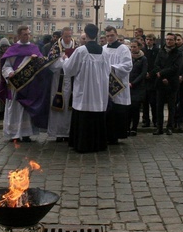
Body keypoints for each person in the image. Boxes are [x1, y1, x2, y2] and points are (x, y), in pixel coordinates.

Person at [0, 26, 53, 142]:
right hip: (16, 85)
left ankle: (26, 133)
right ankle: (14, 134)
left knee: (27, 109)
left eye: (29, 34)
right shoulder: (12, 49)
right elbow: (6, 66)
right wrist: (10, 73)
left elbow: (41, 65)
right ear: (19, 36)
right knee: (15, 109)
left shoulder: (34, 48)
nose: (28, 36)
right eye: (25, 34)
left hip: (30, 85)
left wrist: (36, 60)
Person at [63, 24, 110, 153]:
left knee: (83, 116)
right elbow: (108, 71)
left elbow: (69, 70)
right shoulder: (104, 52)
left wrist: (65, 60)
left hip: (84, 91)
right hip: (98, 92)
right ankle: (98, 144)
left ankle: (82, 144)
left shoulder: (81, 51)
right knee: (97, 116)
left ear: (86, 34)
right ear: (97, 34)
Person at [103, 26, 132, 144]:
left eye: (112, 35)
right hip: (106, 84)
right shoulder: (103, 48)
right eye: (107, 36)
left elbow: (128, 65)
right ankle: (107, 135)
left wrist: (112, 68)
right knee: (108, 110)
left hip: (119, 84)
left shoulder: (123, 49)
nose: (110, 38)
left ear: (116, 35)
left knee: (118, 110)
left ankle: (116, 135)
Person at [47, 27, 77, 142]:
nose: (68, 39)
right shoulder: (56, 47)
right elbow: (51, 64)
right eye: (66, 36)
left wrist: (68, 61)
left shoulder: (76, 46)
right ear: (62, 36)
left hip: (72, 80)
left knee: (70, 105)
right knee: (59, 104)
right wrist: (63, 60)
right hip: (58, 80)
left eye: (70, 36)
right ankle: (58, 133)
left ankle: (69, 132)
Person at [152, 33, 183, 135]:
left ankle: (170, 126)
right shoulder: (161, 51)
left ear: (174, 41)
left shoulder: (179, 53)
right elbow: (156, 65)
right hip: (160, 82)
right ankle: (159, 127)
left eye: (171, 40)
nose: (168, 41)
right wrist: (161, 75)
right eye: (167, 39)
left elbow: (176, 67)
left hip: (172, 82)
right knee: (159, 106)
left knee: (171, 106)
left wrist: (162, 74)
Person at [128, 40, 147, 136]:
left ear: (139, 47)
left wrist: (133, 83)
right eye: (131, 46)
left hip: (137, 86)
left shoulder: (143, 59)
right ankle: (126, 127)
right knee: (128, 109)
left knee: (135, 108)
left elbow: (143, 73)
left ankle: (134, 128)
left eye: (134, 46)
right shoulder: (128, 57)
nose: (132, 48)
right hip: (128, 86)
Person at [142, 33, 159, 128]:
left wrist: (151, 74)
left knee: (153, 102)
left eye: (150, 40)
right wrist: (145, 73)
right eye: (147, 39)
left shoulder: (157, 51)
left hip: (153, 80)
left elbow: (158, 64)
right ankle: (146, 120)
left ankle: (155, 120)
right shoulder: (143, 51)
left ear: (154, 41)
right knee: (145, 102)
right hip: (144, 80)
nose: (148, 41)